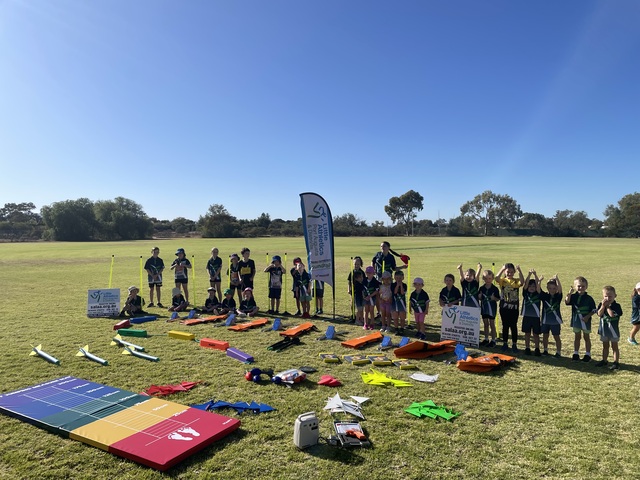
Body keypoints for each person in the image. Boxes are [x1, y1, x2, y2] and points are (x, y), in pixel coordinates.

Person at [564, 276, 597, 362]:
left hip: (586, 322)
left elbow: (594, 310)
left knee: (586, 337)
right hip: (576, 321)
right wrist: (569, 293)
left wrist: (587, 316)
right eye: (578, 286)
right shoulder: (573, 296)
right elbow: (567, 302)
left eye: (583, 286)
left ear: (586, 287)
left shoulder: (589, 298)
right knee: (577, 337)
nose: (581, 288)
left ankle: (588, 354)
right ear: (575, 287)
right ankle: (576, 353)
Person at [496, 263, 525, 353]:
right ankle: (505, 343)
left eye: (512, 272)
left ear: (514, 272)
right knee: (505, 325)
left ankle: (514, 344)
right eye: (508, 272)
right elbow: (496, 278)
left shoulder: (516, 281)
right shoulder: (502, 281)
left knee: (513, 326)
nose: (510, 273)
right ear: (505, 272)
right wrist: (502, 268)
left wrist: (520, 271)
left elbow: (522, 282)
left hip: (514, 308)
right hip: (504, 307)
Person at [595, 286, 623, 370]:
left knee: (614, 347)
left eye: (610, 296)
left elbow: (612, 315)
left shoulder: (617, 306)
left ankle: (616, 362)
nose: (607, 298)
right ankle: (604, 360)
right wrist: (603, 306)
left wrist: (607, 307)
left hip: (613, 331)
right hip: (604, 330)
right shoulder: (601, 304)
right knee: (605, 346)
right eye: (605, 296)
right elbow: (599, 314)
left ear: (615, 296)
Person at [539, 275, 563, 357]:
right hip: (545, 321)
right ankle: (545, 350)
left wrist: (557, 279)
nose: (552, 290)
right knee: (545, 336)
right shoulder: (545, 296)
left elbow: (560, 290)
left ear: (556, 288)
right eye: (550, 288)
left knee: (556, 336)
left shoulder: (558, 297)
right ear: (547, 288)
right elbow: (538, 290)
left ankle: (558, 352)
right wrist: (539, 281)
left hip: (555, 321)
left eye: (554, 288)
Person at [521, 270, 542, 356]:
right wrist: (529, 275)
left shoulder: (538, 293)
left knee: (536, 334)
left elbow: (538, 285)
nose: (532, 287)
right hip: (527, 316)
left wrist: (536, 275)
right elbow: (525, 285)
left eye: (534, 286)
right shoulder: (525, 293)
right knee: (527, 333)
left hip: (536, 317)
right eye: (530, 286)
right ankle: (527, 348)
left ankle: (537, 348)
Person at [478, 266, 500, 347]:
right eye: (486, 278)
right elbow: (479, 298)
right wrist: (479, 297)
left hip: (492, 309)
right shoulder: (482, 288)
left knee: (492, 324)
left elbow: (498, 298)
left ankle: (493, 340)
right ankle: (486, 338)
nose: (488, 280)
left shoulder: (495, 289)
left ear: (492, 278)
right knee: (485, 324)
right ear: (483, 278)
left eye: (490, 278)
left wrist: (494, 298)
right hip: (484, 309)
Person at [362, 266, 380, 330]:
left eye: (370, 272)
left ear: (373, 273)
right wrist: (364, 296)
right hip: (365, 298)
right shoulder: (364, 280)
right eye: (367, 272)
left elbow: (377, 291)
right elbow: (362, 289)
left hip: (372, 298)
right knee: (366, 311)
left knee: (371, 311)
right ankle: (365, 324)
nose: (369, 274)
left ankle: (372, 324)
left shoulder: (375, 281)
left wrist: (370, 296)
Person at [391, 270, 408, 335]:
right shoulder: (392, 285)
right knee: (395, 317)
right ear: (395, 277)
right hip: (394, 303)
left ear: (403, 278)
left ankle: (402, 328)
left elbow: (402, 293)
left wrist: (400, 285)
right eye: (397, 278)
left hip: (402, 303)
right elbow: (394, 292)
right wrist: (397, 285)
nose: (399, 279)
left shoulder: (404, 285)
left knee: (402, 317)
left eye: (400, 278)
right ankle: (396, 328)